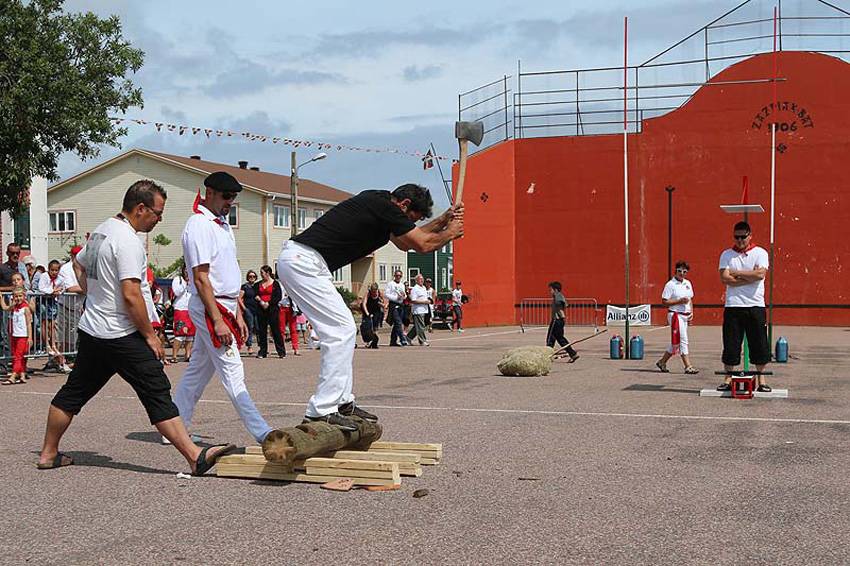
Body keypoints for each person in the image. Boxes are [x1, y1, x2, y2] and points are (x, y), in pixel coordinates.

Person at [37, 179, 235, 473]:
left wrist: (94, 294)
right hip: (120, 332)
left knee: (74, 392)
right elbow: (131, 295)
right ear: (140, 208)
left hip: (93, 329)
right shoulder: (128, 240)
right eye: (157, 213)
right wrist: (150, 336)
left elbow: (78, 265)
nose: (159, 219)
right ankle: (195, 457)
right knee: (156, 387)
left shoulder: (102, 230)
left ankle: (48, 454)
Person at [277, 183, 463, 430]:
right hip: (303, 262)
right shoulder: (387, 208)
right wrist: (450, 233)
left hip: (308, 262)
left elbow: (404, 242)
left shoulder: (381, 203)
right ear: (404, 205)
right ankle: (321, 410)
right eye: (411, 218)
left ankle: (342, 403)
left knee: (343, 330)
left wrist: (443, 220)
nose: (410, 223)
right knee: (342, 329)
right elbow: (421, 245)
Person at [172, 172, 275, 445]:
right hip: (211, 306)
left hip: (226, 303)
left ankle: (174, 428)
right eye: (226, 196)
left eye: (233, 198)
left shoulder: (222, 225)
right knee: (233, 370)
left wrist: (238, 312)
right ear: (210, 192)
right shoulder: (199, 225)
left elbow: (227, 272)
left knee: (197, 371)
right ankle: (263, 433)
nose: (230, 202)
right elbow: (201, 277)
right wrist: (217, 320)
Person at [716, 221, 772, 392]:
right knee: (731, 343)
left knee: (759, 343)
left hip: (755, 305)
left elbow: (760, 274)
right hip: (733, 305)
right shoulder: (726, 254)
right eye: (736, 237)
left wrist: (736, 273)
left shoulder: (760, 252)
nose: (740, 240)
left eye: (743, 237)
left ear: (750, 236)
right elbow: (725, 279)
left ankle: (761, 380)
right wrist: (750, 276)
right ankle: (727, 379)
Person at [656, 261, 697, 374]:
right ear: (675, 271)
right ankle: (688, 366)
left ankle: (662, 361)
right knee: (683, 340)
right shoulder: (670, 285)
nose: (682, 273)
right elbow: (664, 301)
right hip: (675, 315)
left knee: (676, 342)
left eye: (684, 271)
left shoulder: (688, 283)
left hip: (685, 315)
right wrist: (679, 301)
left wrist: (691, 312)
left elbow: (690, 299)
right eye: (680, 271)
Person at [37, 259, 70, 372]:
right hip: (44, 301)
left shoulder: (60, 278)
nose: (54, 272)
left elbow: (63, 287)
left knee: (53, 324)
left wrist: (57, 292)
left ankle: (53, 345)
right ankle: (47, 345)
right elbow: (41, 288)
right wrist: (52, 291)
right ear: (48, 269)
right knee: (45, 323)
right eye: (52, 270)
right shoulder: (44, 276)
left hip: (53, 301)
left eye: (56, 270)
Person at [56, 246, 84, 362]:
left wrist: (84, 289)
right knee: (60, 336)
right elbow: (70, 288)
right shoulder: (66, 268)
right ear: (72, 256)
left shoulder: (84, 267)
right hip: (64, 306)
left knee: (72, 337)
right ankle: (58, 361)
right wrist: (86, 289)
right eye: (76, 255)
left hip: (76, 308)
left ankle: (65, 359)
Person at [0, 286, 33, 385]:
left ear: (24, 296)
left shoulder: (26, 308)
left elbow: (28, 324)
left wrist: (30, 337)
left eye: (20, 296)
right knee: (16, 355)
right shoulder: (14, 307)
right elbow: (5, 308)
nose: (18, 298)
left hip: (23, 336)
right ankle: (22, 374)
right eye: (16, 296)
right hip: (14, 334)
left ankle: (13, 375)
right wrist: (1, 298)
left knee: (18, 357)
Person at [253, 265, 286, 358]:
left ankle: (281, 351)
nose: (261, 275)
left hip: (272, 310)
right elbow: (255, 295)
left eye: (262, 273)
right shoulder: (257, 284)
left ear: (268, 273)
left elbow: (278, 297)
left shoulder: (275, 284)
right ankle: (262, 351)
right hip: (261, 310)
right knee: (262, 331)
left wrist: (269, 303)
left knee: (276, 330)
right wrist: (258, 299)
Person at [546, 281, 579, 362]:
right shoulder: (559, 296)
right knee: (560, 339)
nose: (550, 292)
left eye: (551, 290)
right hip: (560, 320)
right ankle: (572, 353)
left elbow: (561, 301)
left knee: (550, 338)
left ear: (555, 290)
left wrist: (557, 299)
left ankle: (546, 356)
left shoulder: (558, 295)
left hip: (556, 320)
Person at [170, 263, 194, 363]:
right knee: (179, 333)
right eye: (186, 269)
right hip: (180, 309)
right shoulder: (178, 280)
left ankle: (188, 355)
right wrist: (185, 283)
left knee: (190, 334)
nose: (187, 272)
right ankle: (174, 355)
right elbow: (177, 292)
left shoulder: (194, 280)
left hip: (191, 309)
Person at [238, 270, 260, 355]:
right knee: (250, 327)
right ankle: (249, 346)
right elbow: (239, 298)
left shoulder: (257, 286)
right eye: (250, 276)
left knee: (259, 328)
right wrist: (244, 308)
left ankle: (261, 346)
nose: (252, 278)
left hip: (257, 309)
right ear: (248, 277)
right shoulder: (245, 287)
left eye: (253, 276)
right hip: (248, 309)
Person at [406, 274, 430, 346]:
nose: (422, 280)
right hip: (418, 310)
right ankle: (422, 341)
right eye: (420, 279)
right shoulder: (415, 289)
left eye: (422, 279)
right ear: (416, 280)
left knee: (419, 326)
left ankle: (408, 337)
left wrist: (428, 301)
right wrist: (424, 302)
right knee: (420, 326)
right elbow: (413, 300)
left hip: (424, 309)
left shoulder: (424, 288)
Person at [385, 270, 407, 346]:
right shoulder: (390, 284)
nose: (398, 277)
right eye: (397, 275)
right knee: (398, 322)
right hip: (393, 304)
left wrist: (404, 296)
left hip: (400, 304)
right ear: (394, 276)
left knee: (397, 324)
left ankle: (393, 341)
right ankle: (402, 339)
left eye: (400, 276)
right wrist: (395, 297)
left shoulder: (402, 285)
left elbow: (404, 295)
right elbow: (386, 294)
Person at [278, 285, 300, 355]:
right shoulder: (278, 283)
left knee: (293, 329)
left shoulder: (291, 282)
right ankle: (281, 348)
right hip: (281, 307)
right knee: (281, 329)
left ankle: (295, 348)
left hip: (291, 307)